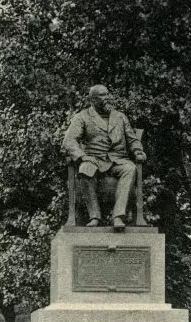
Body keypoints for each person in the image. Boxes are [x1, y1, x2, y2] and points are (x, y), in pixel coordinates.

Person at [62, 85, 146, 231]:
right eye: (102, 95)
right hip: (94, 159)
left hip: (117, 160)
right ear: (92, 99)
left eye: (107, 94)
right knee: (84, 169)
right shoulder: (82, 117)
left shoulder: (120, 117)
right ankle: (95, 216)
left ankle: (118, 216)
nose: (107, 98)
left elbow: (132, 139)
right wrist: (82, 156)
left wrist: (138, 150)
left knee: (130, 168)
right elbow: (69, 141)